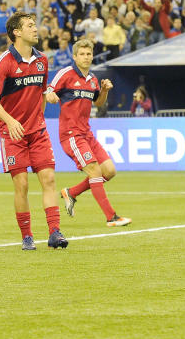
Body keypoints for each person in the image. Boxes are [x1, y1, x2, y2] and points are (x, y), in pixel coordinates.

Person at [0, 11, 69, 250]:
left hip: (38, 131)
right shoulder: (3, 62)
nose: (36, 29)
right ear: (17, 32)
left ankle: (55, 232)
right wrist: (10, 121)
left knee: (49, 179)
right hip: (12, 134)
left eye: (35, 25)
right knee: (21, 184)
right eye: (30, 25)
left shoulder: (42, 60)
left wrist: (42, 109)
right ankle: (27, 236)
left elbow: (42, 92)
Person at [50, 39, 131, 227]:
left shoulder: (93, 80)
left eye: (89, 54)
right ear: (75, 56)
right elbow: (49, 89)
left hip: (87, 134)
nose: (86, 57)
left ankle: (71, 193)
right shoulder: (66, 74)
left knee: (109, 171)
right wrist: (50, 95)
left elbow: (98, 103)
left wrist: (104, 91)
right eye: (82, 54)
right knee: (95, 170)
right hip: (71, 135)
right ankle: (111, 217)